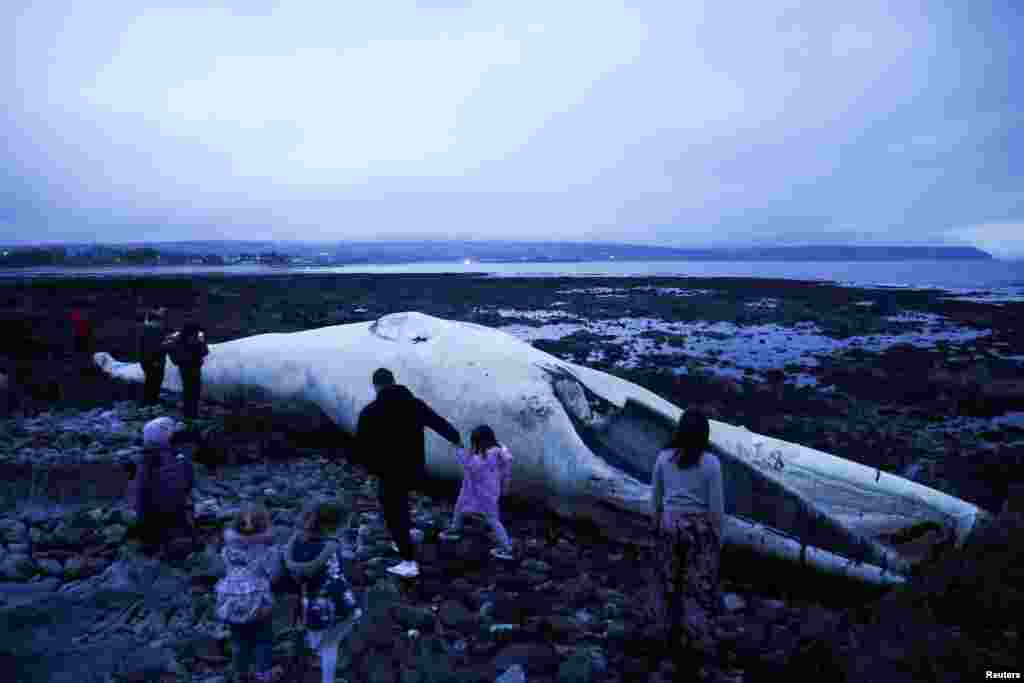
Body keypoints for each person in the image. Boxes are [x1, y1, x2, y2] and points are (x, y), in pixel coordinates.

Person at [355, 368, 462, 578]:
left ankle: (408, 560)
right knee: (402, 504)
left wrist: (370, 470)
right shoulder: (414, 404)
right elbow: (437, 422)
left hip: (389, 471)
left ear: (376, 386)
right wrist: (455, 438)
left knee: (393, 512)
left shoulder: (370, 412)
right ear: (394, 382)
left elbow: (362, 446)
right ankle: (405, 538)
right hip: (415, 468)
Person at [649, 409, 724, 664]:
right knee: (696, 587)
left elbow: (655, 498)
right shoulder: (711, 463)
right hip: (699, 531)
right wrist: (717, 538)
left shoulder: (663, 458)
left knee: (667, 583)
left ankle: (664, 636)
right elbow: (716, 507)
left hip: (669, 526)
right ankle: (694, 641)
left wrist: (655, 525)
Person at [283, 500, 362, 683]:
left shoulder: (297, 540)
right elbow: (321, 570)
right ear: (334, 525)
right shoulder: (330, 545)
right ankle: (327, 678)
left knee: (321, 638)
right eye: (345, 524)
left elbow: (298, 575)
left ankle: (314, 650)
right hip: (336, 601)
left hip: (312, 600)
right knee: (330, 646)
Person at [220, 503, 285, 683]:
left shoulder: (228, 547)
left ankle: (240, 672)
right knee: (263, 638)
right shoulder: (268, 549)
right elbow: (274, 574)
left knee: (238, 640)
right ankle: (263, 673)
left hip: (231, 597)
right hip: (258, 598)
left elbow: (225, 567)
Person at [438, 425, 515, 559]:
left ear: (479, 441)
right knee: (460, 507)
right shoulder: (499, 450)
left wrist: (459, 450)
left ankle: (507, 548)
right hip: (487, 490)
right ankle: (454, 528)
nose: (472, 444)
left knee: (492, 519)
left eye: (474, 442)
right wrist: (505, 486)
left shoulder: (485, 456)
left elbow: (470, 465)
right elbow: (505, 470)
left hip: (480, 492)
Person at [130, 416, 196, 558]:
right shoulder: (178, 459)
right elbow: (188, 485)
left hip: (159, 517)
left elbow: (139, 494)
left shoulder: (146, 461)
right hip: (169, 515)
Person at [164, 321, 209, 420]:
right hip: (192, 367)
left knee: (189, 390)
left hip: (185, 368)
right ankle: (192, 414)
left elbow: (169, 349)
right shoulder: (194, 340)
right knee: (193, 391)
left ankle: (189, 413)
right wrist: (201, 341)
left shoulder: (177, 340)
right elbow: (204, 352)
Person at [138, 306, 168, 406]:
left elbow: (146, 347)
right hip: (154, 360)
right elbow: (154, 347)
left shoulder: (146, 328)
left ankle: (149, 400)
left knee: (151, 380)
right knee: (154, 380)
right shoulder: (154, 329)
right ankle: (150, 401)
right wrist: (155, 360)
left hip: (148, 360)